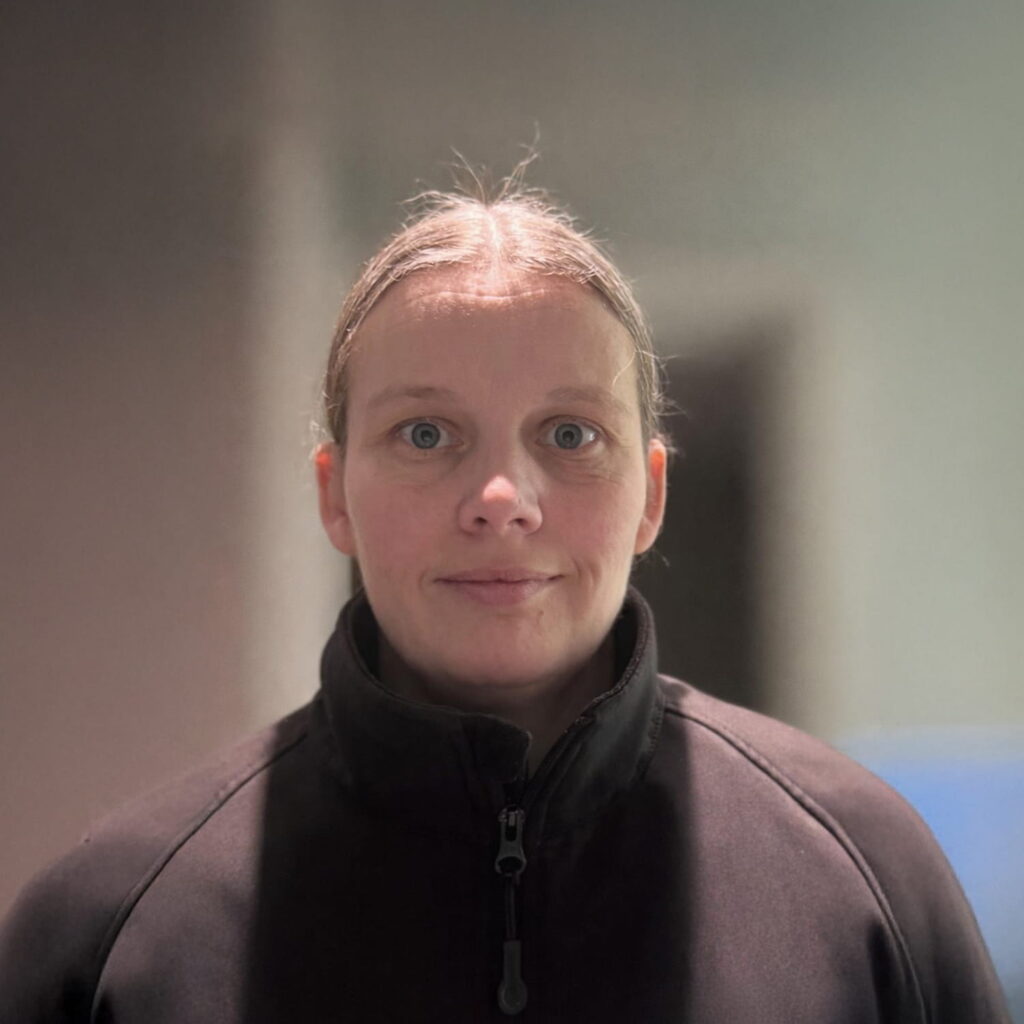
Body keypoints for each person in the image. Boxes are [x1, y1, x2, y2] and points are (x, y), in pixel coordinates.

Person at [0, 175, 1010, 1023]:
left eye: (569, 434)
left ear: (649, 493)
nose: (499, 500)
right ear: (331, 492)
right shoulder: (111, 931)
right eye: (426, 435)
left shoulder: (866, 884)